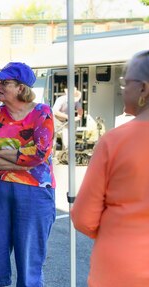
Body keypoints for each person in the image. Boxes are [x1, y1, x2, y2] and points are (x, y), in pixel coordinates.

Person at [71, 50, 149, 287]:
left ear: (144, 89)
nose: (123, 89)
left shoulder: (115, 141)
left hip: (123, 264)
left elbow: (84, 217)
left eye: (126, 83)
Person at [0, 62, 56, 287]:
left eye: (5, 82)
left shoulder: (42, 112)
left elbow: (40, 153)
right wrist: (22, 164)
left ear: (21, 88)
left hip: (34, 194)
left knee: (29, 263)